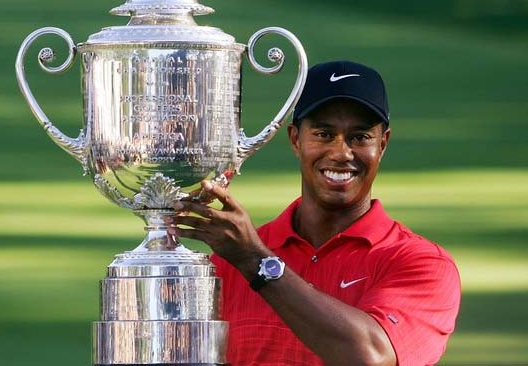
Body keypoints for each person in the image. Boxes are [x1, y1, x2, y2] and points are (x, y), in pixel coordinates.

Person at [166, 60, 461, 366]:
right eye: (323, 134)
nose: (340, 152)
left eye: (359, 137)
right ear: (295, 139)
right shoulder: (229, 261)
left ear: (382, 144)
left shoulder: (420, 263)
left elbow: (371, 357)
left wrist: (257, 263)